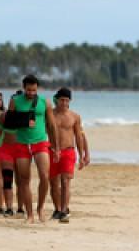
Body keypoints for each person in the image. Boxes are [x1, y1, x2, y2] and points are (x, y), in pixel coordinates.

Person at [9, 75, 60, 223]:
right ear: (24, 87)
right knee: (24, 180)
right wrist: (24, 121)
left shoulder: (45, 102)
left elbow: (51, 126)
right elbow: (9, 122)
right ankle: (30, 214)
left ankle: (40, 209)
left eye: (34, 90)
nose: (31, 93)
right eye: (29, 90)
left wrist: (56, 147)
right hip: (22, 143)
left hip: (40, 142)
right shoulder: (15, 101)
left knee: (45, 176)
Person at [50, 87, 85, 223]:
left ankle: (64, 210)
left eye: (66, 100)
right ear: (57, 100)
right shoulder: (50, 115)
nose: (64, 103)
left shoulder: (74, 116)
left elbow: (79, 135)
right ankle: (57, 209)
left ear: (70, 101)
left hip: (68, 151)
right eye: (61, 100)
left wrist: (82, 155)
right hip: (51, 151)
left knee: (65, 181)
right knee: (53, 183)